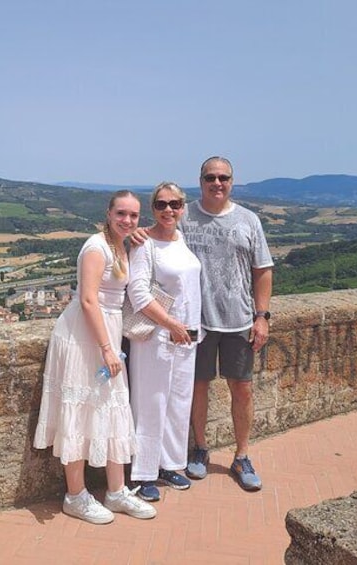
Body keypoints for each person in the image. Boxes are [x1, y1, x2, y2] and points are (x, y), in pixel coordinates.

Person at [33, 190, 157, 525]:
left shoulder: (121, 244)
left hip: (106, 329)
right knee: (80, 409)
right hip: (84, 335)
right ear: (108, 213)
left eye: (133, 215)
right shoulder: (96, 247)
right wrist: (107, 348)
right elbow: (88, 300)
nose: (127, 220)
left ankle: (116, 491)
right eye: (121, 214)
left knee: (112, 406)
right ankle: (75, 496)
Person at [183, 156, 273, 491]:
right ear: (201, 181)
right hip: (197, 322)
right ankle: (200, 449)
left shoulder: (249, 220)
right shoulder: (183, 217)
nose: (217, 183)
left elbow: (262, 271)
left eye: (223, 177)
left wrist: (262, 317)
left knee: (243, 388)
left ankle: (242, 455)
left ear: (232, 181)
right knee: (198, 387)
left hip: (239, 321)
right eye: (211, 177)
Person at [126, 182, 203, 502]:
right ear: (152, 208)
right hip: (157, 337)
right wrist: (171, 324)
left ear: (183, 207)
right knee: (150, 402)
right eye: (161, 204)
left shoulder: (181, 238)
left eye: (175, 203)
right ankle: (144, 472)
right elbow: (138, 293)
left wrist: (184, 329)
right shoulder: (144, 244)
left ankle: (170, 464)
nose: (168, 210)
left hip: (187, 337)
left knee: (178, 402)